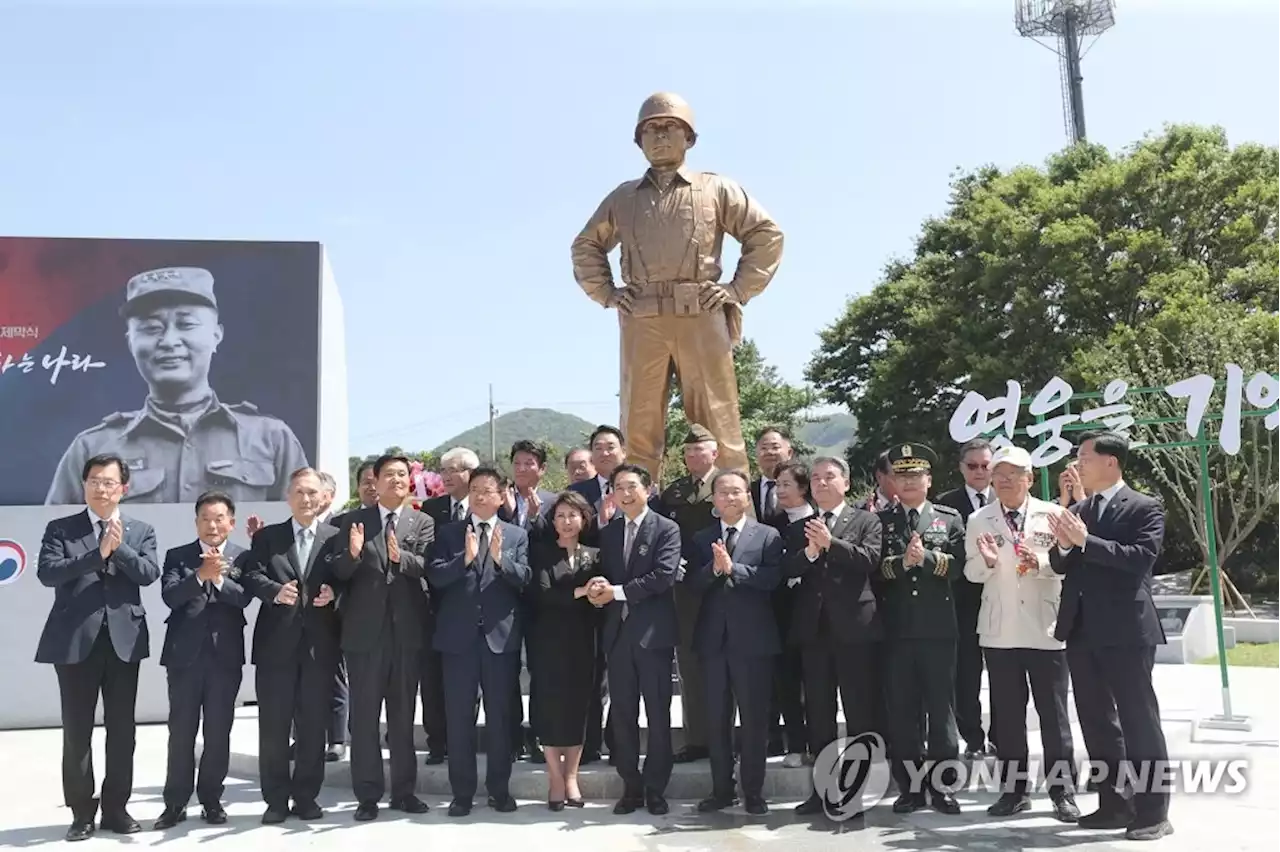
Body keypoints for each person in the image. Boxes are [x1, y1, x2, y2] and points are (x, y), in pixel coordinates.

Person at [571, 92, 784, 480]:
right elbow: (586, 245)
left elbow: (765, 234)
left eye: (670, 127)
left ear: (690, 138)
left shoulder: (716, 188)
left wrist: (737, 290)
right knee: (639, 422)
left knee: (717, 417)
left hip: (700, 311)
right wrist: (608, 293)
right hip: (642, 315)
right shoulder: (623, 197)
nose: (660, 136)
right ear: (639, 142)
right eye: (650, 130)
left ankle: (732, 506)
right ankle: (634, 512)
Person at [46, 266, 309, 505]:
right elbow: (55, 540)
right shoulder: (93, 449)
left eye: (186, 324)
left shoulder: (271, 439)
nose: (169, 341)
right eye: (151, 328)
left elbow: (301, 530)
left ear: (216, 335)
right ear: (130, 342)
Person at [1048, 431, 1172, 841]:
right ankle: (1113, 802)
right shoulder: (1081, 507)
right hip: (1082, 629)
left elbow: (1139, 560)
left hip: (1126, 631)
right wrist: (1065, 546)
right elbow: (1063, 563)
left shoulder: (1144, 506)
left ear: (1111, 462)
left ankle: (1153, 810)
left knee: (1138, 721)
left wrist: (1086, 541)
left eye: (1084, 456)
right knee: (1097, 722)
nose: (1077, 463)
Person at [35, 453, 161, 841]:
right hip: (75, 643)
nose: (100, 488)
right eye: (94, 480)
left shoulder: (140, 530)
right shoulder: (62, 528)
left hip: (123, 643)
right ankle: (81, 812)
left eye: (108, 482)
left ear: (123, 488)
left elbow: (148, 573)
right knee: (77, 732)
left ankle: (116, 808)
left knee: (123, 731)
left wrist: (118, 547)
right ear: (84, 485)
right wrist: (97, 553)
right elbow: (48, 573)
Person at [963, 446, 1079, 823]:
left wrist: (1040, 564)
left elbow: (1068, 564)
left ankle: (1063, 792)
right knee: (1007, 717)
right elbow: (969, 573)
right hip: (1000, 632)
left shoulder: (1053, 514)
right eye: (999, 474)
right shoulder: (980, 519)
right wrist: (989, 563)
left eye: (1015, 474)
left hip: (1046, 629)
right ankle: (1014, 792)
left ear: (1030, 478)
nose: (1006, 480)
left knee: (1054, 715)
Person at [332, 454, 434, 820]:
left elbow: (428, 567)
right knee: (364, 720)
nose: (395, 480)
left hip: (407, 635)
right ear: (374, 481)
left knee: (403, 718)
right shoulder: (350, 522)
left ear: (410, 481)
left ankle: (404, 792)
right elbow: (337, 573)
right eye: (388, 474)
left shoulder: (421, 521)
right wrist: (354, 554)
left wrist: (400, 557)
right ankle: (368, 795)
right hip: (364, 636)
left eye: (401, 474)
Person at [427, 466, 532, 817]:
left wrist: (503, 562)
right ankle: (462, 793)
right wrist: (464, 560)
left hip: (500, 641)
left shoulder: (516, 535)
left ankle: (499, 791)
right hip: (458, 642)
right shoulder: (449, 533)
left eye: (488, 489)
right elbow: (435, 577)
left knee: (501, 720)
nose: (481, 495)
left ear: (502, 496)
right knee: (459, 720)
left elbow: (526, 580)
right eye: (475, 489)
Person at [240, 468, 342, 824]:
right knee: (274, 727)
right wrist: (273, 591)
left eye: (313, 492)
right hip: (275, 648)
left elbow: (349, 578)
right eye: (300, 492)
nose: (307, 499)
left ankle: (307, 797)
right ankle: (276, 800)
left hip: (319, 648)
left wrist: (335, 594)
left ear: (323, 497)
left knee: (313, 726)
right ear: (288, 496)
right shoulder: (269, 537)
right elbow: (250, 574)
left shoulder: (335, 536)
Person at [786, 456, 883, 818]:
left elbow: (869, 559)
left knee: (858, 713)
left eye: (830, 477)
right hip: (814, 632)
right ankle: (821, 791)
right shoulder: (802, 526)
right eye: (815, 478)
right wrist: (809, 552)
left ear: (845, 482)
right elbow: (788, 568)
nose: (822, 483)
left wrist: (831, 544)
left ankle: (856, 792)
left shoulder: (865, 519)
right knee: (819, 714)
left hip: (855, 630)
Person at [585, 463, 681, 816]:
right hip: (618, 635)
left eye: (631, 486)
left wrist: (618, 592)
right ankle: (631, 785)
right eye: (618, 487)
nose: (625, 494)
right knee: (622, 714)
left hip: (652, 636)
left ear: (648, 489)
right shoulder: (609, 533)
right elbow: (601, 575)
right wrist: (597, 588)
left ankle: (656, 788)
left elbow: (663, 576)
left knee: (657, 714)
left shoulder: (667, 529)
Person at [876, 442, 964, 815]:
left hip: (938, 629)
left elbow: (959, 567)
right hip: (895, 631)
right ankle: (910, 788)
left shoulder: (950, 518)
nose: (909, 482)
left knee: (941, 711)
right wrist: (901, 562)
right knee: (902, 712)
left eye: (916, 475)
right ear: (893, 481)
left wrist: (924, 558)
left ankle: (944, 788)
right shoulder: (881, 522)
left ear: (929, 480)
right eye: (902, 476)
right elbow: (876, 569)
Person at [688, 469, 783, 815]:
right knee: (717, 720)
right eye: (723, 492)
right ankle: (721, 789)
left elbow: (773, 579)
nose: (729, 497)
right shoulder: (701, 539)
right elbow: (691, 585)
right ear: (713, 500)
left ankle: (754, 791)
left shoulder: (768, 536)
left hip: (754, 643)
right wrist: (713, 570)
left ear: (747, 497)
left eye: (736, 492)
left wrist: (734, 570)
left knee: (755, 720)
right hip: (713, 643)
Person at [154, 491, 250, 830]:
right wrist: (200, 576)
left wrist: (219, 578)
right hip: (184, 657)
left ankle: (212, 800)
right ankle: (175, 803)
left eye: (219, 518)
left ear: (231, 522)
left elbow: (244, 598)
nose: (213, 525)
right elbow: (170, 596)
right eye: (206, 518)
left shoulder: (242, 557)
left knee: (218, 731)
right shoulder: (178, 555)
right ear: (196, 522)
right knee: (181, 732)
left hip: (225, 658)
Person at [529, 491, 603, 809]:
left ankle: (571, 776)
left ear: (584, 519)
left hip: (584, 641)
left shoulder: (594, 555)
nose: (566, 521)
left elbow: (600, 597)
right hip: (547, 641)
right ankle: (555, 778)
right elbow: (543, 594)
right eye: (560, 515)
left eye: (573, 515)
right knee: (549, 708)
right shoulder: (542, 553)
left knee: (577, 707)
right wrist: (580, 592)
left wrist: (596, 592)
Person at [654, 423, 721, 764]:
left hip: (723, 584)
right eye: (689, 451)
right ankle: (697, 738)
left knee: (727, 663)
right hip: (686, 586)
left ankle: (726, 737)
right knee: (690, 663)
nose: (694, 455)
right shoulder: (674, 492)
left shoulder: (729, 486)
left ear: (715, 453)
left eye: (701, 449)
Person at [935, 438, 997, 759]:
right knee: (966, 675)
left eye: (985, 465)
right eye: (972, 466)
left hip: (1004, 600)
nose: (979, 471)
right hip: (962, 602)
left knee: (1005, 675)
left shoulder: (1009, 498)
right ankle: (973, 737)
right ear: (961, 468)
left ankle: (1001, 735)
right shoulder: (945, 504)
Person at [418, 447, 479, 765]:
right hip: (437, 605)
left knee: (473, 683)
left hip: (477, 608)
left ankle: (465, 737)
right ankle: (437, 741)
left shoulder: (486, 506)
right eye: (442, 470)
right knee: (432, 679)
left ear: (470, 472)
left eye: (452, 469)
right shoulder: (432, 509)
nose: (445, 476)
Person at [500, 440, 558, 763]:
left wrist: (537, 518)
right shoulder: (497, 499)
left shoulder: (553, 501)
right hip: (504, 597)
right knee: (505, 669)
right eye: (518, 463)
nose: (523, 469)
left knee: (538, 668)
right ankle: (510, 736)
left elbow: (557, 544)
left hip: (539, 597)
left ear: (542, 469)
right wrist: (508, 513)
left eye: (530, 463)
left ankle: (538, 734)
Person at [770, 461, 813, 768]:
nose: (780, 490)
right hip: (782, 613)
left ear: (803, 487)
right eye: (777, 485)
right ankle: (796, 743)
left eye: (786, 484)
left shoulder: (817, 521)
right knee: (787, 681)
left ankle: (819, 743)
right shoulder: (772, 523)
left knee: (816, 683)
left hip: (815, 611)